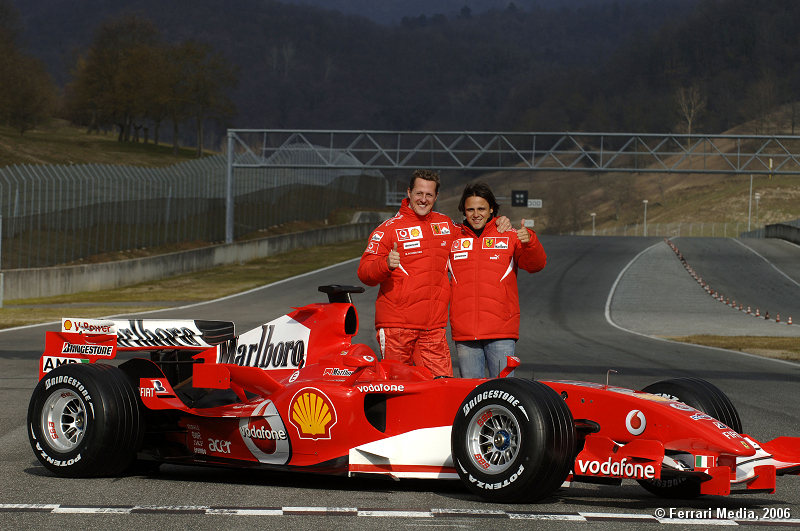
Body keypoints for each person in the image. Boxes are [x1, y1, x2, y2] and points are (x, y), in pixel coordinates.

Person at [357, 170, 512, 378]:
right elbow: (364, 272)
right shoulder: (387, 230)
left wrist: (499, 222)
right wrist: (385, 264)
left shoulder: (446, 225)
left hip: (433, 330)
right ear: (409, 193)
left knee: (442, 388)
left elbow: (476, 230)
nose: (423, 199)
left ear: (436, 197)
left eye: (429, 195)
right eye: (419, 193)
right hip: (397, 328)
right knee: (396, 390)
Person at [448, 182, 546, 378]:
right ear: (464, 211)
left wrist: (530, 242)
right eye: (470, 209)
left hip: (501, 333)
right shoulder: (452, 237)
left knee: (504, 396)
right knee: (472, 397)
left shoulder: (509, 234)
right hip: (466, 334)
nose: (476, 214)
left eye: (481, 208)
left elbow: (535, 265)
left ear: (492, 209)